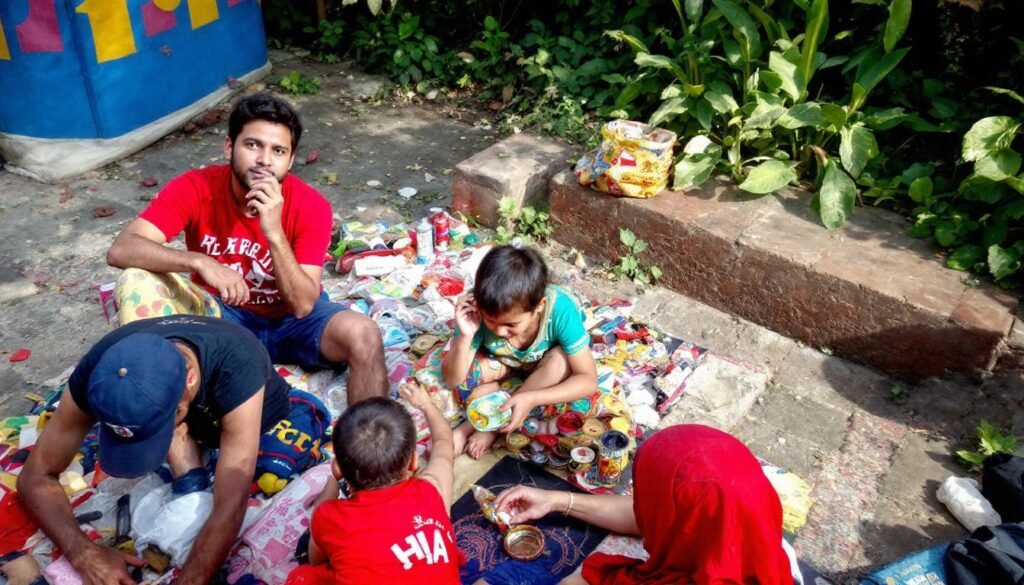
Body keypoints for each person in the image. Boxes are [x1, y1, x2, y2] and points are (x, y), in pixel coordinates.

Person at [106, 93, 387, 404]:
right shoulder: (195, 187)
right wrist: (199, 262)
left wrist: (273, 231)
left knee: (364, 334)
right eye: (253, 145)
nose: (265, 160)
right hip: (220, 316)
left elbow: (303, 305)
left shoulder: (312, 206)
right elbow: (122, 249)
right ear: (230, 147)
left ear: (291, 161)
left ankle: (366, 445)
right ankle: (163, 420)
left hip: (292, 322)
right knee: (136, 280)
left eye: (278, 151)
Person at [17, 315, 321, 585]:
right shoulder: (104, 367)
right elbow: (35, 476)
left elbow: (230, 504)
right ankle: (179, 453)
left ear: (190, 380)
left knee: (263, 474)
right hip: (185, 413)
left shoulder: (236, 366)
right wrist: (85, 555)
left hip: (260, 416)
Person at [493, 425, 803, 585]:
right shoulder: (760, 543)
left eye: (645, 494)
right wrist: (558, 500)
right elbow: (645, 516)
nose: (635, 497)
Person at [286, 384, 458, 585]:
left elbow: (316, 560)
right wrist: (426, 405)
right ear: (413, 461)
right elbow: (444, 443)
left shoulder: (328, 516)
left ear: (337, 468)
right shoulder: (432, 488)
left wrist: (330, 488)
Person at [441, 245, 598, 458]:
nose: (498, 330)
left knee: (561, 362)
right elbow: (452, 379)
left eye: (511, 325)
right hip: (505, 363)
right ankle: (506, 404)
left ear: (539, 306)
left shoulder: (560, 310)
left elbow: (588, 380)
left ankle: (484, 426)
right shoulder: (476, 308)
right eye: (490, 321)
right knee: (457, 374)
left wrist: (531, 399)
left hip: (545, 369)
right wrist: (465, 336)